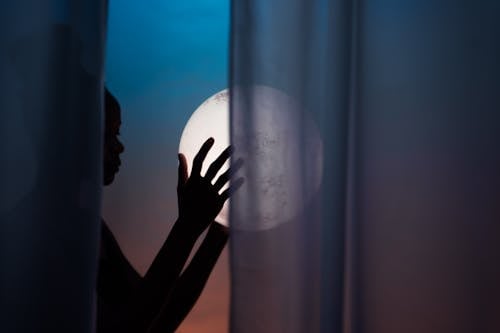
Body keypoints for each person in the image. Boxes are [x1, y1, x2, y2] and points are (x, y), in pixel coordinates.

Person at [98, 88, 243, 332]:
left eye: (118, 133)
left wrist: (219, 226)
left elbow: (159, 316)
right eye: (108, 134)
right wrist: (188, 227)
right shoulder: (51, 232)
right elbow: (135, 324)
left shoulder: (94, 230)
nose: (119, 147)